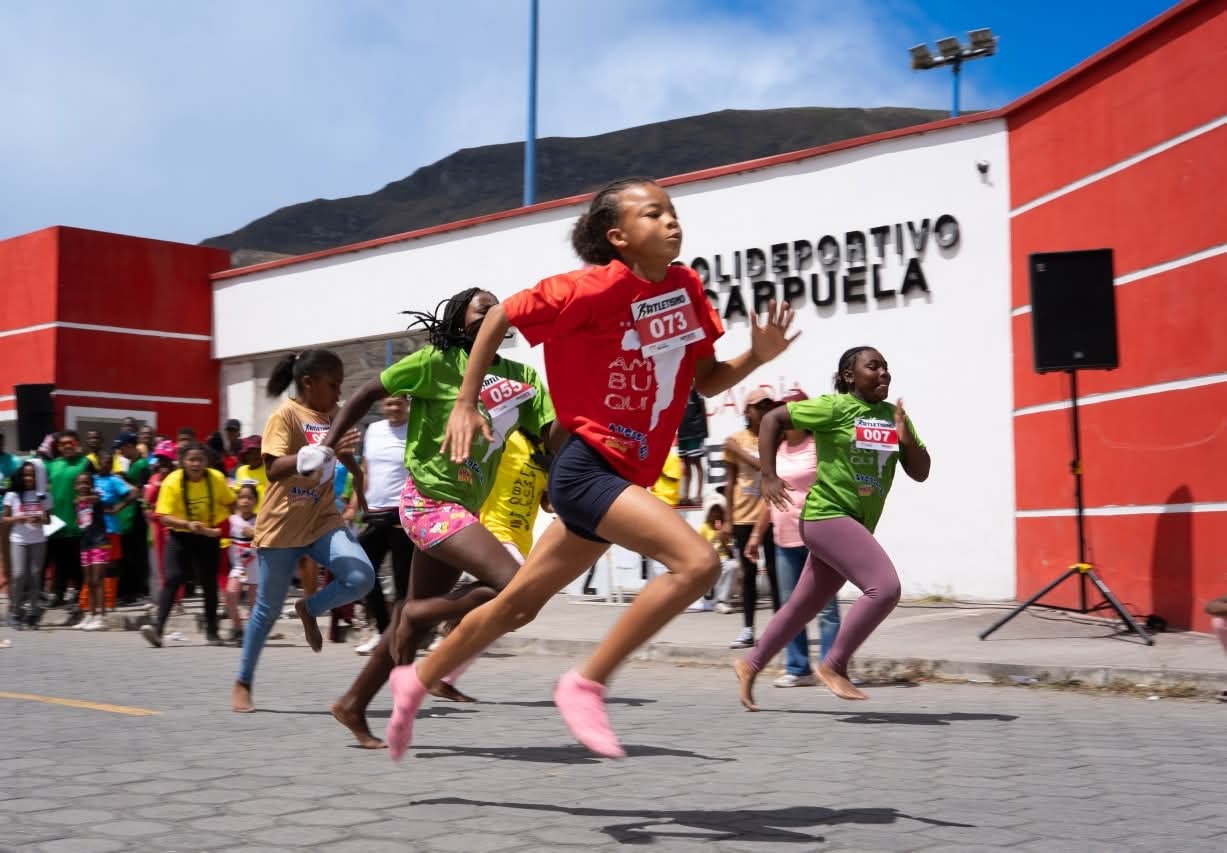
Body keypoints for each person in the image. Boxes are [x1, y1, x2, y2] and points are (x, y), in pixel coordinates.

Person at [380, 176, 797, 760]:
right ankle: (586, 683)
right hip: (587, 467)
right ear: (617, 236)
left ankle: (415, 681)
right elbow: (500, 317)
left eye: (672, 210)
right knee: (698, 563)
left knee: (516, 606)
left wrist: (757, 354)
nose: (670, 220)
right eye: (653, 213)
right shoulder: (586, 289)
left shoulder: (685, 288)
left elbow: (705, 380)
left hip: (626, 473)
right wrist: (466, 401)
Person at [308, 288, 557, 746]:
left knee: (413, 626)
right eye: (483, 308)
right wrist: (327, 446)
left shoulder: (522, 377)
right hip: (428, 503)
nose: (495, 313)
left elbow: (549, 435)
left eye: (499, 308)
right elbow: (366, 393)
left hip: (464, 509)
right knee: (513, 584)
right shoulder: (436, 362)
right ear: (460, 320)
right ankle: (416, 611)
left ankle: (353, 704)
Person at [735, 346, 930, 708]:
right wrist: (768, 475)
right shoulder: (835, 408)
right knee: (885, 588)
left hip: (853, 524)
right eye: (873, 367)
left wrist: (906, 440)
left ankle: (750, 664)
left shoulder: (893, 416)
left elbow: (920, 472)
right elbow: (773, 419)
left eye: (886, 367)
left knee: (801, 607)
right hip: (826, 516)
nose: (884, 373)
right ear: (849, 376)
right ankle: (834, 665)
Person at [230, 349, 376, 713]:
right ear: (308, 383)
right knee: (266, 610)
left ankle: (310, 608)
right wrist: (312, 455)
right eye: (333, 385)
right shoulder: (286, 415)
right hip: (283, 524)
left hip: (323, 519)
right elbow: (273, 469)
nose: (339, 394)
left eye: (341, 386)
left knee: (361, 577)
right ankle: (243, 682)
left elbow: (340, 453)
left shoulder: (331, 415)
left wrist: (359, 482)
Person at [744, 389, 841, 688]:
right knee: (790, 608)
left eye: (793, 408)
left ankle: (832, 669)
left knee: (826, 608)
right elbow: (768, 497)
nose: (787, 414)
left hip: (818, 537)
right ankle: (798, 669)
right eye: (783, 409)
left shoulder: (819, 446)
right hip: (783, 540)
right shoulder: (775, 449)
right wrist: (755, 536)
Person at [142, 443, 234, 648]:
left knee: (209, 583)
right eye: (191, 460)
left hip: (208, 535)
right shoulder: (172, 482)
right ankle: (157, 629)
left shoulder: (216, 478)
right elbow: (163, 516)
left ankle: (212, 631)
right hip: (181, 535)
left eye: (200, 460)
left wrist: (226, 525)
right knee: (172, 578)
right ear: (182, 462)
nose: (196, 464)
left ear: (207, 461)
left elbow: (230, 502)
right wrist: (187, 525)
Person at [350, 396, 413, 656]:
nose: (394, 408)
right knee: (362, 573)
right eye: (389, 404)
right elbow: (365, 471)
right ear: (381, 406)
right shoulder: (374, 430)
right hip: (374, 514)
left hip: (403, 515)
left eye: (398, 403)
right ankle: (383, 630)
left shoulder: (416, 429)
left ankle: (400, 637)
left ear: (407, 404)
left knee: (402, 582)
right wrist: (353, 506)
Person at [724, 389, 781, 649]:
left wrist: (739, 452)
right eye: (759, 406)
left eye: (768, 405)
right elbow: (730, 482)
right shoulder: (735, 440)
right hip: (743, 516)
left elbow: (768, 468)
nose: (764, 410)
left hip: (770, 514)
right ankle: (748, 630)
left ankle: (779, 628)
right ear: (747, 411)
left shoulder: (776, 438)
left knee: (777, 572)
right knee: (748, 574)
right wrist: (728, 519)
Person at [46, 431, 94, 614]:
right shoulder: (52, 465)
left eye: (70, 443)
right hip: (56, 522)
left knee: (78, 562)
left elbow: (94, 486)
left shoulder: (85, 463)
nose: (67, 446)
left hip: (78, 521)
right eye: (63, 444)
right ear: (58, 447)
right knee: (59, 562)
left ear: (76, 444)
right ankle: (58, 594)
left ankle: (80, 596)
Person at [3, 461, 51, 628]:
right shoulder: (12, 494)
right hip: (18, 539)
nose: (28, 478)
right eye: (25, 475)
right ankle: (15, 611)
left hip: (38, 540)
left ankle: (33, 611)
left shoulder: (43, 495)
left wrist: (41, 519)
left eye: (32, 475)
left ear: (37, 477)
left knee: (35, 575)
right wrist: (18, 518)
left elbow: (48, 519)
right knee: (18, 575)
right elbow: (5, 519)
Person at [114, 432, 152, 604]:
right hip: (127, 518)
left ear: (129, 446)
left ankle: (133, 592)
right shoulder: (131, 464)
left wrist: (121, 480)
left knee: (134, 556)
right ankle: (128, 591)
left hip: (136, 517)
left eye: (121, 448)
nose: (120, 452)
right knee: (128, 555)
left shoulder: (142, 465)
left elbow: (140, 491)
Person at [74, 469, 113, 631]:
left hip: (99, 542)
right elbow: (81, 522)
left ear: (91, 485)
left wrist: (84, 499)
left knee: (98, 579)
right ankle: (91, 614)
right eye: (79, 483)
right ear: (75, 486)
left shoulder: (96, 497)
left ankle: (101, 617)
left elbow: (96, 499)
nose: (83, 486)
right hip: (86, 543)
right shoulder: (78, 503)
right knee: (89, 581)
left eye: (86, 483)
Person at [223, 483, 260, 643]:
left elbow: (271, 537)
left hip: (256, 567)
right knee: (230, 594)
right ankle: (237, 628)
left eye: (249, 498)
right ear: (237, 500)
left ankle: (252, 633)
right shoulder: (231, 520)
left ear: (256, 501)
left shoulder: (260, 520)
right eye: (242, 497)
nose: (245, 501)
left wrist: (255, 533)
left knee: (254, 602)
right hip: (239, 567)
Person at [676, 388, 708, 506]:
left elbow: (703, 409)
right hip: (682, 431)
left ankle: (699, 495)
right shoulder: (678, 390)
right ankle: (686, 495)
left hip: (695, 432)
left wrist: (704, 432)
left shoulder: (697, 391)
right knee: (686, 463)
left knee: (696, 461)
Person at [234, 436, 268, 508]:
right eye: (250, 453)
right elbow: (237, 491)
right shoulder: (241, 470)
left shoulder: (269, 470)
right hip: (245, 513)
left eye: (257, 452)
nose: (253, 456)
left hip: (263, 512)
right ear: (245, 455)